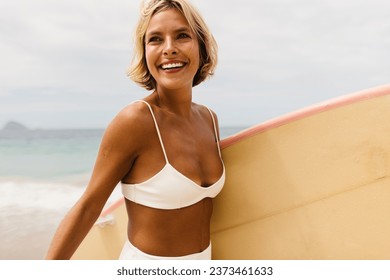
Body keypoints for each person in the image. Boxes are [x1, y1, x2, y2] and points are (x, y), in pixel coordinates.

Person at [46, 0, 225, 260]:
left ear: (201, 45)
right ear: (144, 52)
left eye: (182, 36)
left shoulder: (210, 119)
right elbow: (89, 206)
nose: (169, 49)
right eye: (155, 39)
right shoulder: (135, 121)